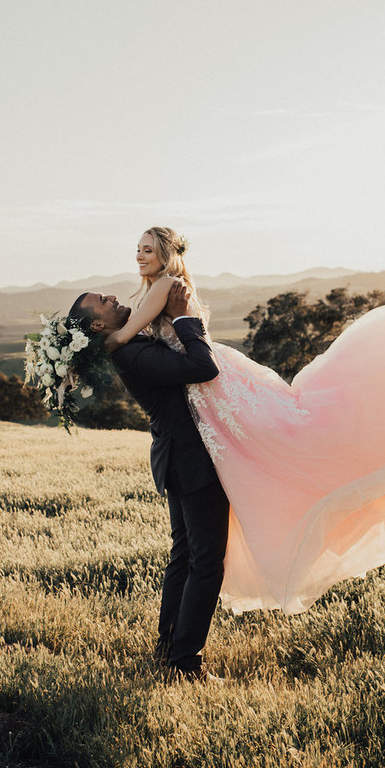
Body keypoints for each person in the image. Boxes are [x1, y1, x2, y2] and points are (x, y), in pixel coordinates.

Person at [87, 227, 385, 617]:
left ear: (166, 254)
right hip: (204, 413)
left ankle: (175, 653)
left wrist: (107, 342)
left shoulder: (164, 288)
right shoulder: (152, 298)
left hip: (215, 393)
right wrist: (101, 344)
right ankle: (179, 656)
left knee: (292, 429)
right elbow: (160, 346)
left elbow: (133, 337)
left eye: (147, 249)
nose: (139, 256)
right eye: (138, 249)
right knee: (282, 439)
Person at [69, 280, 229, 683]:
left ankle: (169, 648)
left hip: (179, 458)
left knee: (185, 556)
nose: (111, 297)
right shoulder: (133, 353)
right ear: (96, 327)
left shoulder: (127, 342)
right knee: (205, 561)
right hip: (191, 460)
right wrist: (183, 318)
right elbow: (203, 368)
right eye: (102, 302)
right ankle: (185, 664)